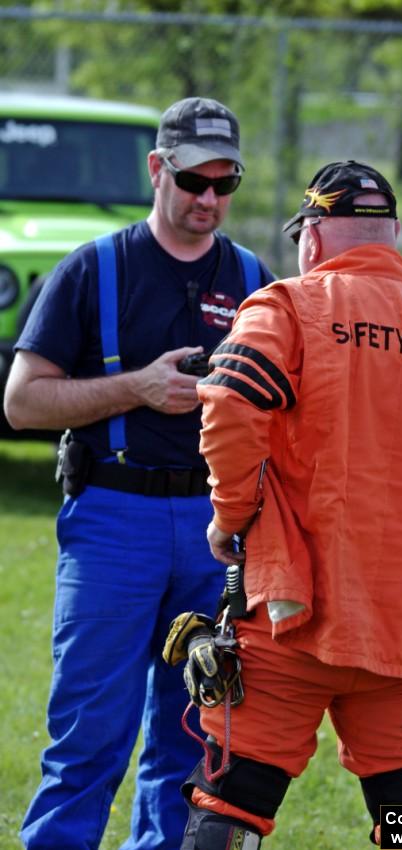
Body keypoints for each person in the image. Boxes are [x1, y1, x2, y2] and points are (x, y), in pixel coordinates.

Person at [168, 160, 402, 849]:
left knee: (229, 806)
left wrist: (233, 514)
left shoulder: (287, 307)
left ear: (310, 237)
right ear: (392, 235)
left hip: (290, 617)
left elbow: (227, 398)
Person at [3, 96, 275, 850]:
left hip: (215, 533)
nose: (209, 201)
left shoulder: (255, 279)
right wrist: (136, 387)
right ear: (157, 171)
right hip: (113, 521)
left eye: (226, 185)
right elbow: (21, 402)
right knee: (89, 731)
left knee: (193, 737)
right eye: (193, 182)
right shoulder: (93, 269)